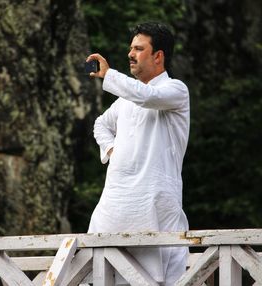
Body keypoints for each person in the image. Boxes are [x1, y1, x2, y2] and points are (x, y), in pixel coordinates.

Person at [86, 22, 190, 285]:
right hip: (113, 211)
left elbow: (147, 97)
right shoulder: (124, 101)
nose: (130, 53)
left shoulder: (176, 91)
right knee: (97, 273)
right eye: (131, 48)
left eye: (139, 48)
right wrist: (111, 149)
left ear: (158, 56)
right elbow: (101, 123)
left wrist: (110, 76)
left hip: (156, 211)